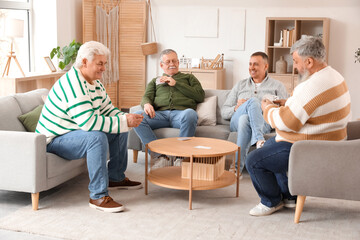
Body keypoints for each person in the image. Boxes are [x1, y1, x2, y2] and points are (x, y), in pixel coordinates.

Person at [246, 36, 351, 216]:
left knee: (254, 160)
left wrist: (267, 107)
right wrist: (288, 102)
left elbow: (288, 122)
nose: (294, 66)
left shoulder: (311, 85)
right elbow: (313, 106)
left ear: (309, 61)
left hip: (313, 148)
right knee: (271, 145)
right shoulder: (333, 75)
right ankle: (289, 197)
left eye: (295, 61)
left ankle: (270, 201)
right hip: (331, 142)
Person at [35, 41, 144, 213]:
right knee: (97, 136)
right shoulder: (73, 84)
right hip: (55, 139)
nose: (103, 68)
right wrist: (123, 121)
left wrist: (125, 118)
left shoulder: (95, 82)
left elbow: (107, 109)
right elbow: (89, 123)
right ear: (84, 62)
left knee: (119, 128)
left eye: (104, 64)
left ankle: (115, 177)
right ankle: (98, 196)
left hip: (74, 132)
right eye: (100, 63)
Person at [221, 52, 288, 174]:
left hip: (264, 123)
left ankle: (236, 169)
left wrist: (273, 106)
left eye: (256, 64)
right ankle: (259, 139)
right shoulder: (240, 85)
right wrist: (236, 108)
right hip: (236, 120)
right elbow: (224, 112)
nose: (252, 67)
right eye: (250, 64)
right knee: (252, 102)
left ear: (265, 67)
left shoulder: (277, 86)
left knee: (245, 119)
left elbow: (286, 111)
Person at [134, 49, 205, 164]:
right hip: (160, 116)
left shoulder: (189, 78)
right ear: (161, 65)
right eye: (168, 62)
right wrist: (146, 104)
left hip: (181, 115)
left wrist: (176, 84)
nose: (172, 64)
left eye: (174, 61)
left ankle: (181, 157)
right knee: (137, 116)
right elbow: (146, 96)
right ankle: (159, 157)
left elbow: (200, 96)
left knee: (190, 113)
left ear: (178, 63)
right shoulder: (155, 81)